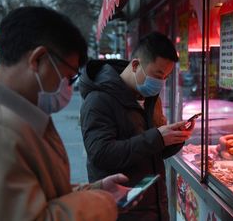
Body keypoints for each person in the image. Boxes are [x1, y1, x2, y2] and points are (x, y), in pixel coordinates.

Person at [0, 6, 131, 221]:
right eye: (68, 77)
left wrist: (96, 189)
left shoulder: (7, 118)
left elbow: (37, 196)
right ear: (37, 59)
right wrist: (103, 203)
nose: (68, 88)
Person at [79, 31, 194, 221]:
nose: (161, 83)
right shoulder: (98, 100)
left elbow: (150, 151)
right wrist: (157, 137)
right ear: (135, 65)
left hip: (154, 207)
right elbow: (101, 154)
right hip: (121, 211)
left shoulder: (150, 100)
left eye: (166, 77)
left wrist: (174, 138)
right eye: (158, 74)